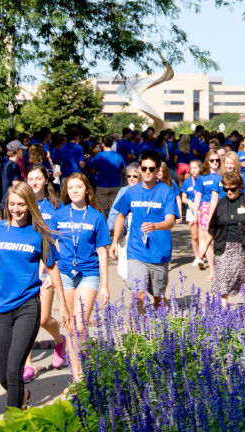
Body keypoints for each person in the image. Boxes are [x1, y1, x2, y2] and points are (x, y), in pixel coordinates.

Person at [0, 183, 59, 409]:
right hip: (0, 307)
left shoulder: (38, 234)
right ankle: (21, 397)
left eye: (21, 204)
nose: (16, 209)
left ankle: (12, 420)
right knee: (4, 375)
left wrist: (64, 304)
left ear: (30, 205)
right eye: (12, 204)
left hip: (28, 305)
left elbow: (52, 267)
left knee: (15, 368)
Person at [49, 173, 111, 383]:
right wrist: (50, 271)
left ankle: (82, 374)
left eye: (78, 187)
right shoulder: (60, 215)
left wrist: (104, 286)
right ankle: (78, 376)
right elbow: (51, 244)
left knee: (80, 326)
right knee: (70, 327)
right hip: (65, 274)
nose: (74, 190)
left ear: (87, 190)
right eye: (71, 187)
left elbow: (102, 251)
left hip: (88, 274)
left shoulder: (96, 216)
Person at [112, 154, 180, 313]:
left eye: (151, 169)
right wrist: (114, 241)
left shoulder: (167, 192)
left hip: (159, 251)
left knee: (158, 296)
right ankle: (136, 332)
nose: (147, 172)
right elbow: (121, 216)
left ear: (157, 170)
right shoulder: (130, 192)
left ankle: (162, 328)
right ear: (140, 169)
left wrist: (155, 226)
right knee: (139, 295)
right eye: (144, 168)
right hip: (136, 250)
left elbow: (170, 221)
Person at [23, 167, 67, 381]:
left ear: (45, 180)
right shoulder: (21, 205)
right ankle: (27, 365)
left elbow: (56, 241)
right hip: (23, 269)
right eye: (30, 178)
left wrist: (51, 272)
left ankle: (59, 341)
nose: (33, 182)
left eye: (37, 178)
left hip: (45, 269)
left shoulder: (53, 208)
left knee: (42, 319)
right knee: (24, 321)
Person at [207, 169, 245, 306]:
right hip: (225, 247)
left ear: (240, 188)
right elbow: (212, 227)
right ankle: (222, 310)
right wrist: (203, 248)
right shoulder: (221, 203)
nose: (229, 192)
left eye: (232, 189)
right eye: (225, 189)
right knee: (223, 278)